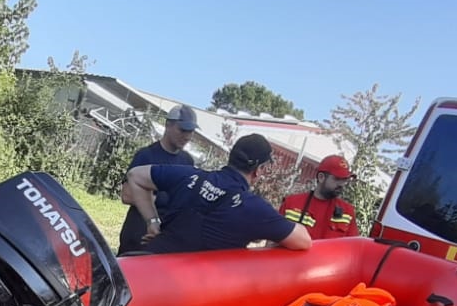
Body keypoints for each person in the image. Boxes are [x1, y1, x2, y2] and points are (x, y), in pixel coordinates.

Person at [121, 134, 312, 255]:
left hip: (147, 266)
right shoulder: (252, 207)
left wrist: (152, 222)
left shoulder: (190, 176)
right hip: (183, 293)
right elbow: (303, 240)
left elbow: (135, 175)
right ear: (259, 170)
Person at [117, 105, 199, 255]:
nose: (187, 136)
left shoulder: (187, 161)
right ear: (168, 125)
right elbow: (126, 195)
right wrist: (162, 198)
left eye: (191, 131)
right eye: (182, 130)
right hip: (139, 234)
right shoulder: (146, 155)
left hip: (166, 238)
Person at [278, 155, 360, 239]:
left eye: (345, 180)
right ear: (321, 177)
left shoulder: (347, 212)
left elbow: (353, 245)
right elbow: (275, 240)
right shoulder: (291, 204)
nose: (342, 184)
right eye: (337, 179)